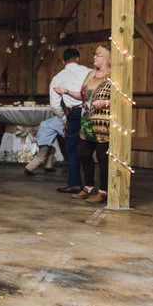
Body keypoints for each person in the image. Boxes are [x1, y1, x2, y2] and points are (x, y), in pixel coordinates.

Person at [57, 46, 111, 204]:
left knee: (103, 157)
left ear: (107, 58)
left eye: (99, 56)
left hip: (102, 123)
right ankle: (88, 187)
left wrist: (106, 102)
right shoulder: (91, 75)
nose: (95, 58)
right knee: (83, 153)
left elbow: (121, 99)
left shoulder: (113, 77)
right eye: (95, 55)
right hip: (86, 121)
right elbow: (83, 97)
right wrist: (66, 91)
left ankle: (103, 191)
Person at [51, 48, 92, 193]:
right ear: (78, 59)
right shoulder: (89, 72)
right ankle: (92, 185)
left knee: (72, 150)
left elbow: (55, 105)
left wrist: (64, 120)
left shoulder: (58, 78)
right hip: (91, 112)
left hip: (74, 114)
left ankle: (75, 183)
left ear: (63, 61)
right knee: (91, 148)